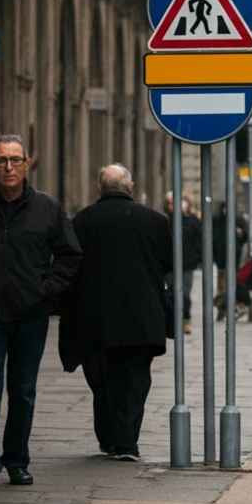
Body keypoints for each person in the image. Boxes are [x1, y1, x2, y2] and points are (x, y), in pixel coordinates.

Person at [0, 134, 82, 490]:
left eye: (15, 160)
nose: (8, 167)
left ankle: (16, 460)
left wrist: (46, 291)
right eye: (1, 160)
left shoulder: (47, 208)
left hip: (31, 316)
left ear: (27, 164)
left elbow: (70, 256)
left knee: (23, 390)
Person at [63, 165, 171, 461]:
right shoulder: (156, 221)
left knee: (102, 381)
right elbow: (168, 265)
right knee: (135, 380)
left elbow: (70, 269)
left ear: (100, 187)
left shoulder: (81, 222)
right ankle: (127, 442)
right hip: (141, 317)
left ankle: (109, 438)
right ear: (130, 186)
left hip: (95, 318)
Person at [165, 192, 200, 335]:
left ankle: (186, 319)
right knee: (171, 292)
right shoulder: (166, 220)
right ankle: (174, 321)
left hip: (187, 264)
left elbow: (200, 240)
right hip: (169, 264)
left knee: (184, 293)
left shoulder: (192, 221)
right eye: (171, 203)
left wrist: (197, 258)